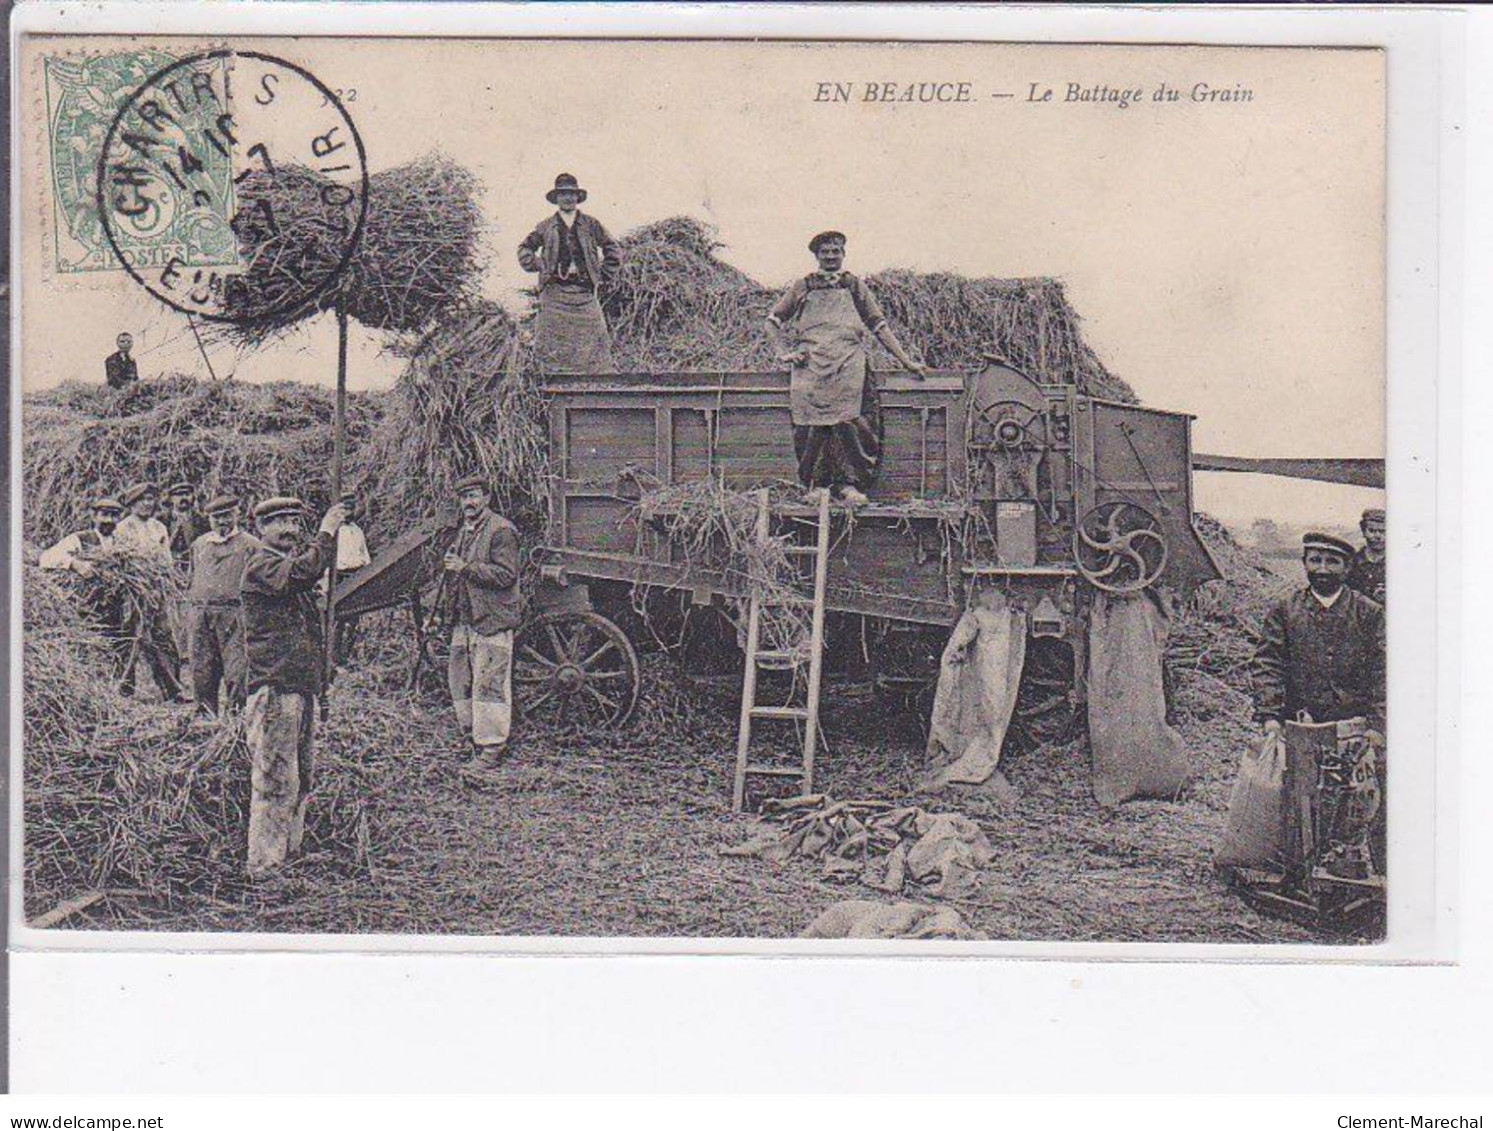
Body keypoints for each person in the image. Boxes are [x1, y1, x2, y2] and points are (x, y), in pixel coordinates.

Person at [764, 230, 928, 507]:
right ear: (816, 256)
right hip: (811, 366)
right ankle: (816, 486)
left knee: (853, 424)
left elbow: (879, 326)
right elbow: (772, 322)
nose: (831, 256)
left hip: (849, 363)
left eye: (836, 251)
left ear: (843, 254)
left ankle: (850, 486)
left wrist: (906, 361)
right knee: (811, 427)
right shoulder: (803, 286)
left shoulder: (854, 286)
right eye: (825, 251)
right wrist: (783, 353)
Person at [239, 495, 345, 877]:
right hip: (274, 689)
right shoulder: (261, 566)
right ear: (260, 529)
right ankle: (264, 865)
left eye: (293, 521)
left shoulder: (284, 569)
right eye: (278, 521)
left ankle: (290, 852)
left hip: (299, 687)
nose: (288, 528)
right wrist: (328, 532)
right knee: (273, 779)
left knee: (300, 776)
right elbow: (305, 571)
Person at [1251, 532, 1386, 738]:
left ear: (1347, 567)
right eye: (1315, 560)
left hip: (1356, 726)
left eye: (1332, 562)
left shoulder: (1369, 612)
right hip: (1299, 723)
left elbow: (1382, 669)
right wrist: (1270, 716)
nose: (1322, 569)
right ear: (1304, 563)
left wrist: (1377, 726)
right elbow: (1269, 663)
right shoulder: (1285, 610)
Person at [443, 473, 522, 773]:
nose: (469, 503)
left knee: (489, 683)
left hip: (492, 617)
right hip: (466, 617)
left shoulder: (502, 531)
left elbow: (506, 575)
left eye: (475, 496)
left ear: (487, 498)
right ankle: (471, 736)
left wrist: (466, 567)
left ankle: (492, 747)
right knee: (460, 678)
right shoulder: (465, 531)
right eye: (464, 497)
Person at [517, 173, 622, 374]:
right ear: (556, 198)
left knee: (595, 337)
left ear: (577, 197)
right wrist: (538, 264)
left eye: (571, 194)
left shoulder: (591, 224)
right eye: (563, 194)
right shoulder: (545, 226)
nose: (568, 198)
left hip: (584, 294)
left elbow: (612, 248)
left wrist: (605, 274)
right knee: (549, 340)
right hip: (554, 294)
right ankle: (550, 380)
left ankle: (596, 382)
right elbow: (525, 248)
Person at [40, 497, 135, 688]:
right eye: (105, 515)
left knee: (121, 645)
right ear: (94, 516)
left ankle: (122, 692)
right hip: (89, 607)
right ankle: (91, 688)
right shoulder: (80, 538)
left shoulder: (122, 543)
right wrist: (75, 564)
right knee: (90, 649)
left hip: (117, 606)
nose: (109, 520)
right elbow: (46, 557)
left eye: (114, 516)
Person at [186, 494, 260, 718]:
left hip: (235, 613)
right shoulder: (200, 545)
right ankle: (204, 717)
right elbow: (191, 577)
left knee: (237, 669)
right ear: (209, 519)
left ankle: (236, 721)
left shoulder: (250, 545)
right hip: (201, 613)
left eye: (227, 516)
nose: (222, 522)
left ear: (237, 514)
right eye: (216, 517)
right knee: (202, 668)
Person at [113, 482, 188, 700]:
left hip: (157, 591)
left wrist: (164, 583)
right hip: (133, 592)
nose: (147, 504)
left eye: (150, 499)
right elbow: (122, 561)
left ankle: (173, 690)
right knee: (131, 638)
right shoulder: (123, 528)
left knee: (164, 637)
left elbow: (166, 560)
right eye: (142, 500)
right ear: (132, 504)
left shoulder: (158, 527)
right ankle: (124, 691)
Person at [331, 487, 372, 663]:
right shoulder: (333, 531)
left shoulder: (357, 530)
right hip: (339, 576)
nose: (349, 512)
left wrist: (367, 573)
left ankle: (347, 655)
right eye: (345, 508)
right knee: (338, 618)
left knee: (354, 618)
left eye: (351, 508)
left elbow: (365, 555)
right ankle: (334, 657)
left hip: (357, 575)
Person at [1346, 507, 1386, 606]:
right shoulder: (1352, 562)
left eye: (1382, 531)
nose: (1377, 536)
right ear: (1364, 532)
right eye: (1372, 531)